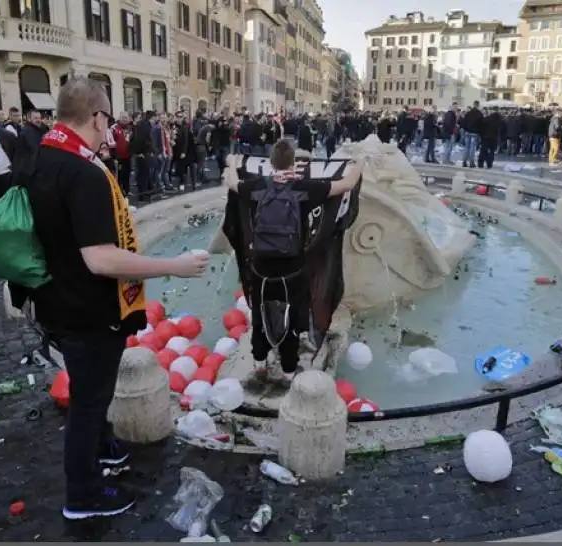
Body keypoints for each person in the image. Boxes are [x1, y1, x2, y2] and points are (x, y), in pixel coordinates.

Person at [23, 77, 210, 519]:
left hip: (56, 299)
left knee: (93, 395)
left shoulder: (41, 157)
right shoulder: (83, 173)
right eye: (109, 119)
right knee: (88, 403)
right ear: (96, 117)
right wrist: (175, 265)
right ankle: (83, 496)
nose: (111, 130)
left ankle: (101, 449)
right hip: (88, 309)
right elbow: (102, 259)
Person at [226, 141, 363, 383]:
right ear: (293, 163)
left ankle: (259, 362)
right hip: (291, 267)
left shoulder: (257, 186)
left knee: (260, 312)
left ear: (270, 163)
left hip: (260, 266)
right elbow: (347, 184)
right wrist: (359, 163)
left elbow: (231, 183)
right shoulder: (304, 188)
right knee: (289, 315)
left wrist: (233, 163)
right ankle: (289, 370)